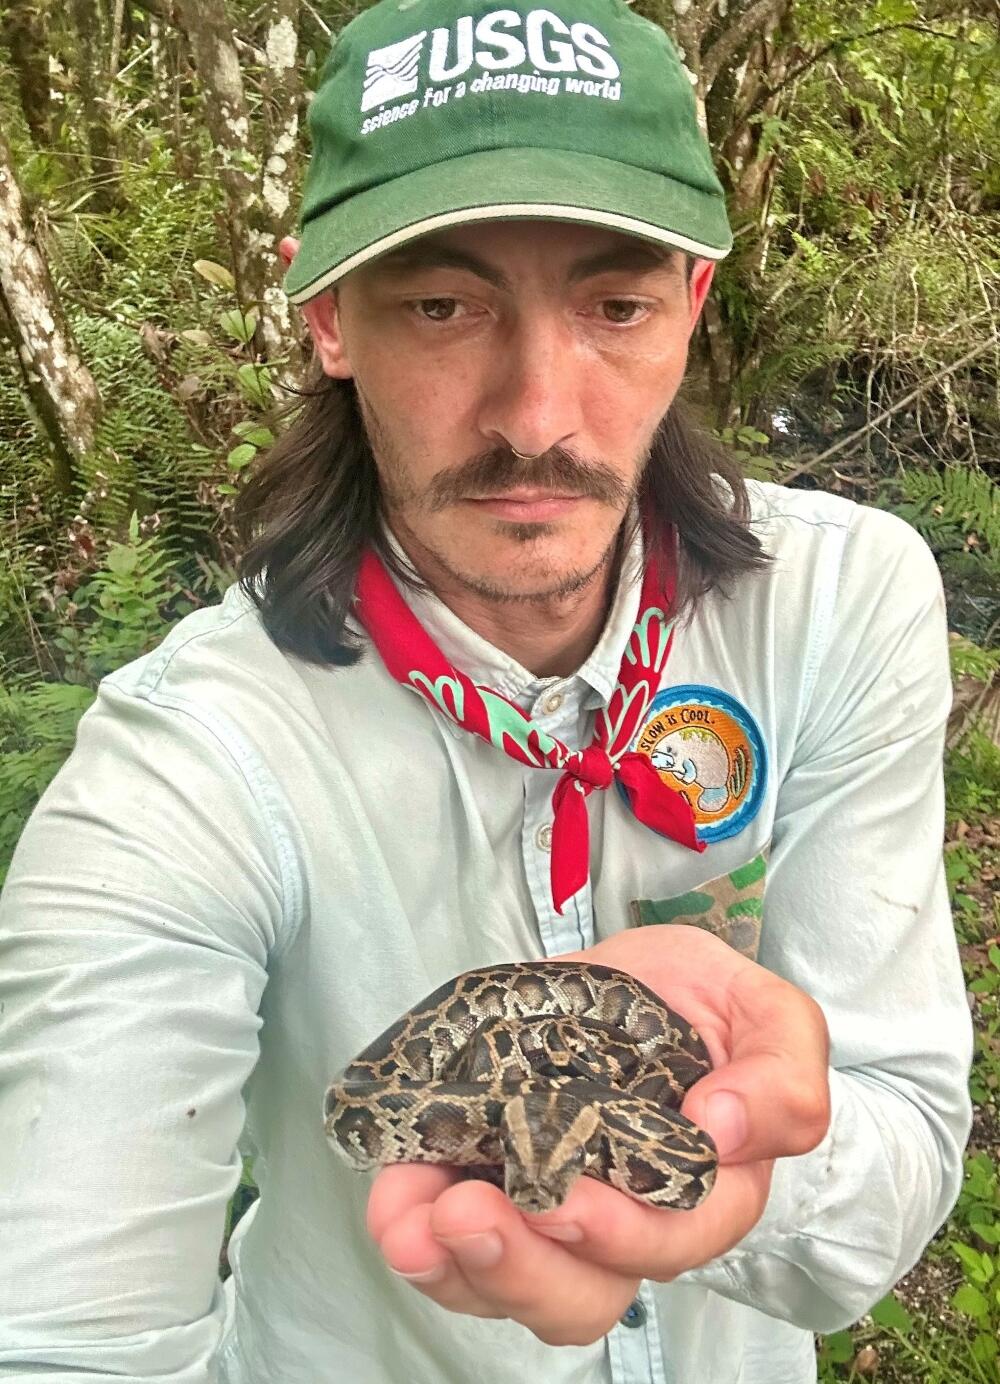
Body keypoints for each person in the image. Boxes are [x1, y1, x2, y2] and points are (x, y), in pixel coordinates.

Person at [0, 0, 973, 1380]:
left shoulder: (837, 605)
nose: (536, 414)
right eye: (444, 306)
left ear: (694, 307)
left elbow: (898, 1138)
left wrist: (728, 1177)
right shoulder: (190, 766)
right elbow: (64, 1330)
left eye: (615, 305)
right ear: (330, 317)